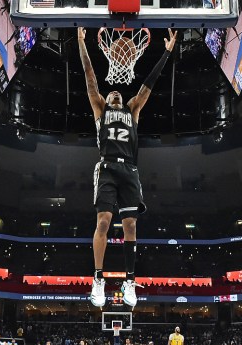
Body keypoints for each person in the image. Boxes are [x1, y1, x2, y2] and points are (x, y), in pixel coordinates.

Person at [78, 26, 177, 308]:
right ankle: (98, 279)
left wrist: (167, 53)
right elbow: (89, 78)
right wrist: (81, 43)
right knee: (104, 222)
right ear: (106, 101)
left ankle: (129, 281)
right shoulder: (100, 108)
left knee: (131, 225)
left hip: (130, 170)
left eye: (118, 94)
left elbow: (149, 83)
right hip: (107, 168)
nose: (115, 94)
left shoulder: (133, 110)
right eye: (111, 95)